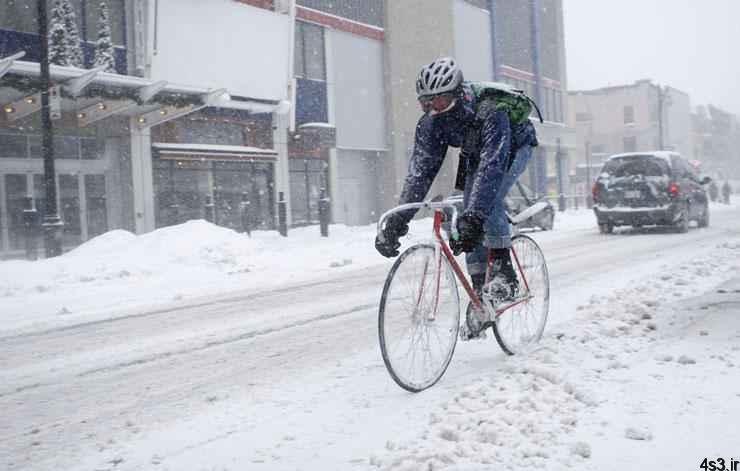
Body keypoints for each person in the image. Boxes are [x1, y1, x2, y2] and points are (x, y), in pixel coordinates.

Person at [374, 57, 539, 338]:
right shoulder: (430, 125)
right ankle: (480, 295)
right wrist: (397, 222)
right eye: (425, 103)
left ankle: (504, 275)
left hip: (513, 145)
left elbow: (492, 169)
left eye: (438, 102)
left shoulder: (490, 111)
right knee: (464, 211)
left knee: (488, 199)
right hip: (477, 150)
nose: (432, 110)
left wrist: (475, 218)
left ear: (457, 94)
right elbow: (420, 175)